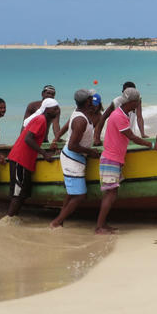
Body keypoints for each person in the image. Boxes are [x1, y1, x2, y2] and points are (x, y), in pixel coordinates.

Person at [95, 88, 157, 234]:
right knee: (110, 194)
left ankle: (102, 225)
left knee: (112, 193)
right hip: (111, 159)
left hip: (114, 159)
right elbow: (132, 137)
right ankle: (99, 226)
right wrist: (152, 145)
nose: (139, 103)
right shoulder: (119, 116)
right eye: (138, 101)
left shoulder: (121, 114)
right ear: (132, 102)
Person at [50, 90, 100, 228]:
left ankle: (60, 220)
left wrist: (56, 137)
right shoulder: (80, 120)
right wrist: (90, 152)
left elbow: (67, 127)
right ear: (87, 101)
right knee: (79, 196)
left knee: (71, 193)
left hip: (76, 157)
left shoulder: (79, 113)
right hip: (72, 158)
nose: (92, 101)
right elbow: (72, 145)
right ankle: (56, 222)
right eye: (91, 99)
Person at [6, 98, 60, 217]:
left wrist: (48, 150)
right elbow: (28, 139)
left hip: (25, 161)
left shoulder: (43, 121)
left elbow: (33, 140)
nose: (57, 111)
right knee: (18, 193)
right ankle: (8, 220)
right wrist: (44, 154)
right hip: (20, 159)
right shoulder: (40, 119)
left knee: (23, 193)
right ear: (47, 110)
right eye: (55, 108)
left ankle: (13, 219)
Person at [93, 81, 146, 145]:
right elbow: (103, 118)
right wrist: (97, 138)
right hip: (116, 137)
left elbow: (139, 116)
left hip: (130, 135)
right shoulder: (116, 102)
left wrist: (143, 134)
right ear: (123, 92)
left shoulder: (137, 100)